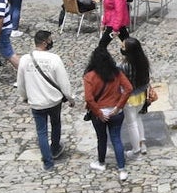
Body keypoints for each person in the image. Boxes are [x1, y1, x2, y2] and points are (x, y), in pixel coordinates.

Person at [16, 30, 73, 171]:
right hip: (53, 100)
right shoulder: (54, 59)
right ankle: (55, 148)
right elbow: (64, 82)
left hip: (36, 102)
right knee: (55, 124)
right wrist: (70, 98)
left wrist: (23, 96)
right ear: (44, 42)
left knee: (41, 132)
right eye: (50, 40)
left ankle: (48, 162)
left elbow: (20, 82)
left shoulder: (24, 59)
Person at [83, 47, 133, 181]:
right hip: (116, 112)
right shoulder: (116, 73)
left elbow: (89, 98)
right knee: (116, 138)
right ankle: (122, 169)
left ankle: (101, 163)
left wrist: (98, 113)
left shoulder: (89, 76)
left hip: (99, 113)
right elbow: (128, 88)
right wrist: (119, 106)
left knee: (101, 138)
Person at [119, 37, 152, 157]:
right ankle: (142, 144)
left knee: (131, 124)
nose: (121, 48)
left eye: (123, 47)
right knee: (138, 119)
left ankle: (136, 150)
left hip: (129, 98)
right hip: (141, 95)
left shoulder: (123, 66)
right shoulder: (143, 61)